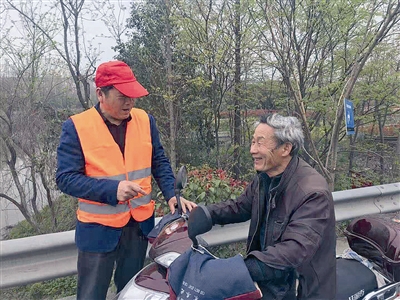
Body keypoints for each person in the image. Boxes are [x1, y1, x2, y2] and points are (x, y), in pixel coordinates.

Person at [56, 60, 197, 300]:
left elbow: (159, 161)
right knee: (91, 294)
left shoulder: (145, 121)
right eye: (123, 96)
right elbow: (65, 179)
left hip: (138, 227)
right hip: (98, 230)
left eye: (132, 96)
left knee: (133, 292)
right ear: (100, 93)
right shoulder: (77, 127)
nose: (130, 102)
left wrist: (172, 192)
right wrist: (112, 189)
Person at [189, 113, 336, 299]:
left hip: (301, 289)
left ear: (285, 148)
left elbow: (293, 251)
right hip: (271, 284)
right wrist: (204, 213)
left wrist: (238, 269)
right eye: (252, 142)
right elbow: (241, 206)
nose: (252, 150)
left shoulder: (312, 192)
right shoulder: (265, 178)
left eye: (260, 143)